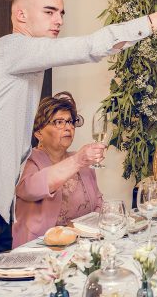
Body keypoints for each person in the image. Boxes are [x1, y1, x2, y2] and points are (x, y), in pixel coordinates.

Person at [0, 0, 157, 257]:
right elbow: (92, 46)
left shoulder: (28, 60)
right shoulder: (11, 49)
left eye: (61, 13)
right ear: (21, 15)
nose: (59, 20)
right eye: (49, 12)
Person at [12, 92, 103, 247]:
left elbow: (98, 204)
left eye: (70, 121)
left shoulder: (83, 164)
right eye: (59, 122)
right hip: (39, 252)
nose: (68, 127)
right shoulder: (27, 161)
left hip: (82, 248)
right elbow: (31, 188)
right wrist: (79, 160)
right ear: (39, 133)